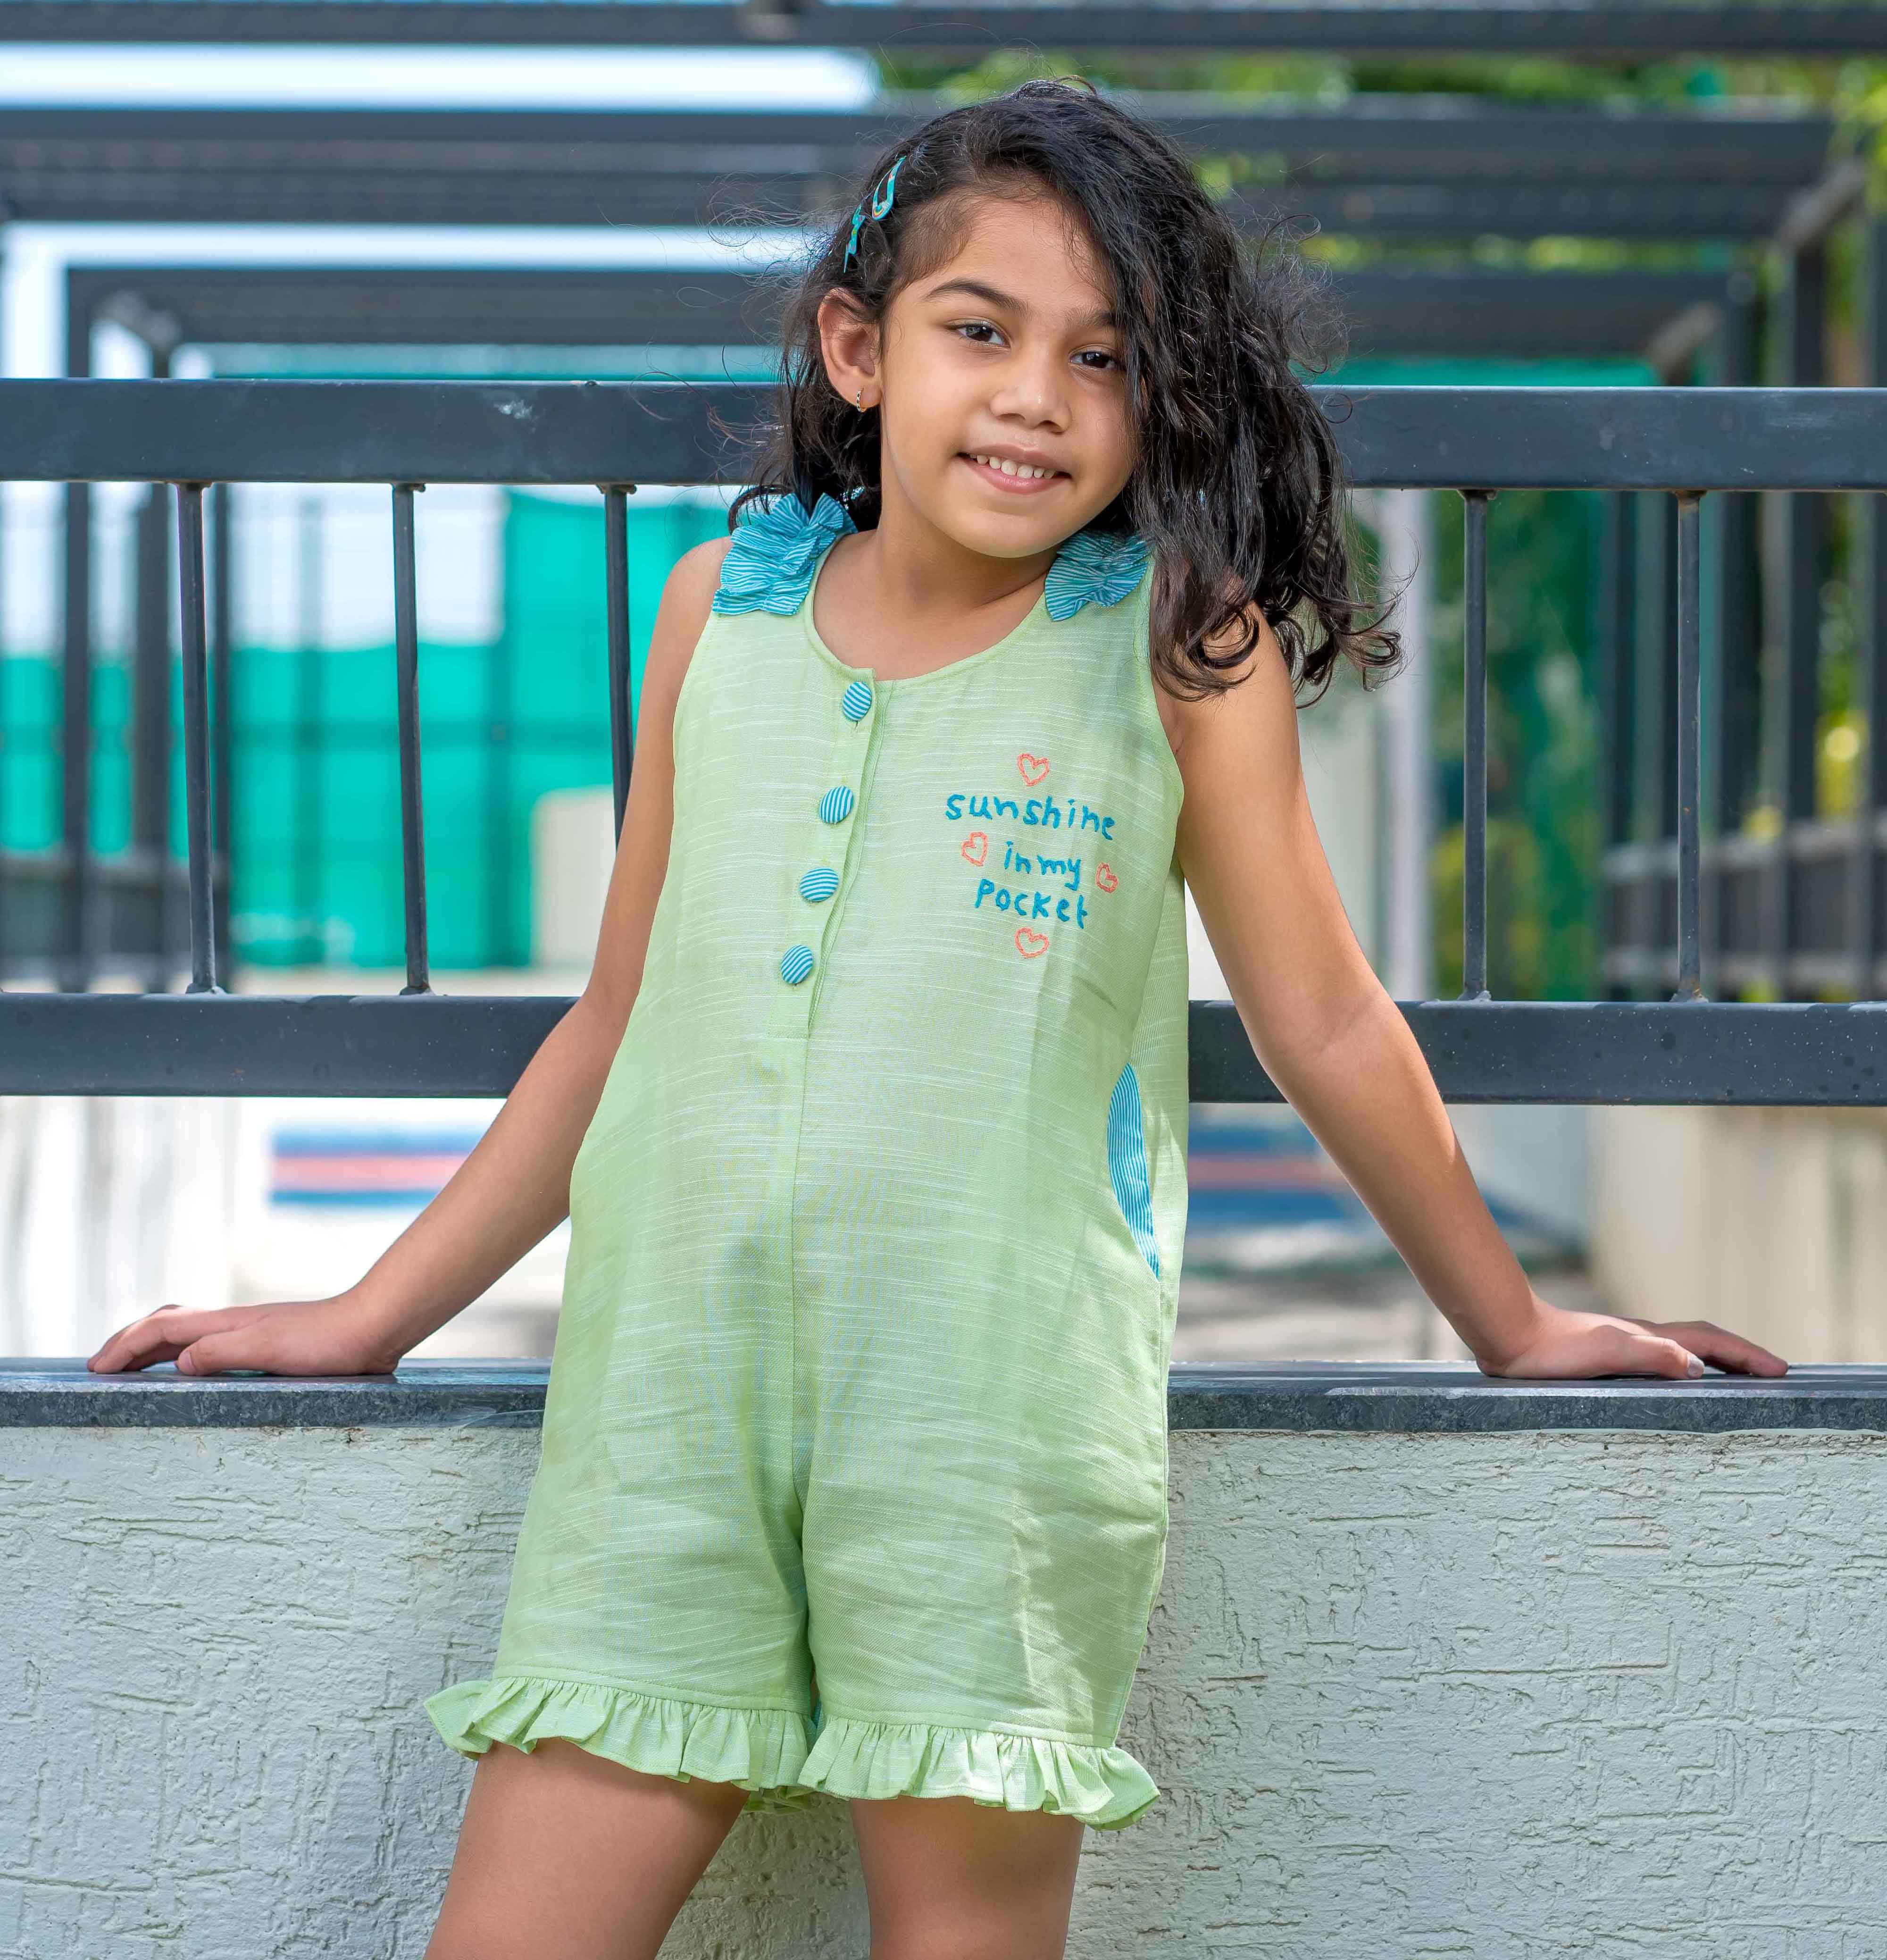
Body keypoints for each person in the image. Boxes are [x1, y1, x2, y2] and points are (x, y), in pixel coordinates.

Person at [87, 79, 1787, 1960]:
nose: (1037, 396)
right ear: (858, 345)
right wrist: (360, 1320)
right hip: (662, 1419)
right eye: (979, 330)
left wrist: (1516, 1320)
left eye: (1105, 357)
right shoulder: (707, 614)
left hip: (986, 1436)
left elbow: (1315, 1008)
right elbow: (615, 1019)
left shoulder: (1178, 636)